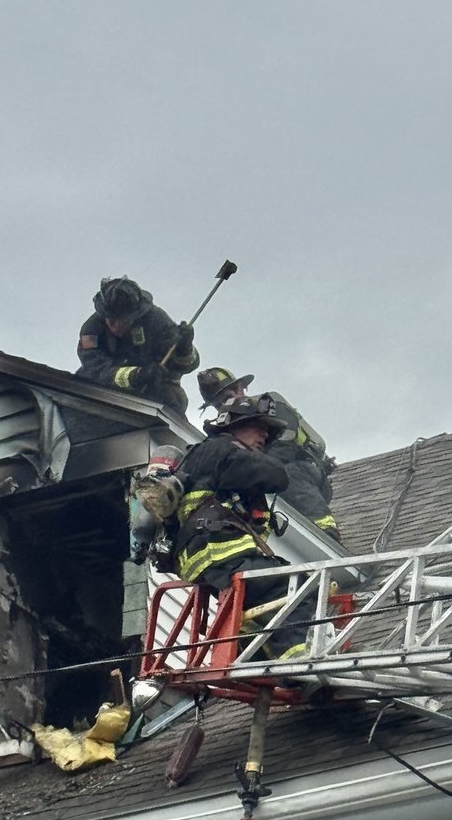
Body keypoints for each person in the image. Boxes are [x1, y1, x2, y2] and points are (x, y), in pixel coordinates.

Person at [172, 396, 312, 659]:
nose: (264, 435)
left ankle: (250, 649)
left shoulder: (210, 456)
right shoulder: (220, 449)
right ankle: (300, 662)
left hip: (214, 558)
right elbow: (275, 476)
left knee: (264, 600)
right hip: (219, 553)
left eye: (268, 432)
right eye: (257, 425)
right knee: (295, 585)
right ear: (232, 425)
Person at [197, 367, 341, 541]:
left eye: (226, 398)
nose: (223, 407)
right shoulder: (231, 425)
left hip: (305, 470)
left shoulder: (270, 405)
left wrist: (257, 469)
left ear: (240, 388)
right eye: (217, 404)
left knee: (288, 473)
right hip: (269, 474)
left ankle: (325, 529)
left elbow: (286, 446)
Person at [76, 276, 199, 413]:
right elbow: (96, 370)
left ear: (136, 315)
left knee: (173, 397)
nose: (117, 327)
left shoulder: (156, 320)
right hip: (106, 387)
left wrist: (185, 348)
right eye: (112, 321)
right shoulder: (90, 332)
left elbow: (183, 366)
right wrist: (136, 375)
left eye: (124, 321)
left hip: (152, 386)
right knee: (79, 387)